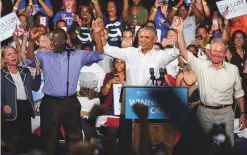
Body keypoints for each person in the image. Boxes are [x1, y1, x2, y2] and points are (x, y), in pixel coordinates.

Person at [26, 28, 103, 155]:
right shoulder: (45, 56)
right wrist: (30, 41)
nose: (50, 42)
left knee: (74, 138)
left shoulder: (77, 55)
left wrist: (97, 34)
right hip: (50, 103)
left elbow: (99, 54)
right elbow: (29, 60)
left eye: (53, 40)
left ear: (63, 40)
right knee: (49, 140)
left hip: (70, 102)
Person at [176, 17, 246, 146]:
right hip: (204, 113)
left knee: (226, 147)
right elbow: (184, 52)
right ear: (209, 51)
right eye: (214, 51)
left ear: (225, 52)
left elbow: (239, 93)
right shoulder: (201, 65)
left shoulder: (233, 69)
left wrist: (242, 113)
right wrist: (179, 32)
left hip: (225, 113)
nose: (217, 54)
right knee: (205, 147)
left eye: (221, 52)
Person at [93, 18, 180, 86]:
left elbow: (178, 51)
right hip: (130, 99)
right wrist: (100, 33)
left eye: (147, 37)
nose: (143, 40)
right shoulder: (130, 52)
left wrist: (179, 33)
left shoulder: (161, 55)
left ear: (155, 39)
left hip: (150, 101)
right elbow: (106, 48)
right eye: (141, 37)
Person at [1, 45, 41, 153]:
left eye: (14, 53)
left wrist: (38, 71)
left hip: (25, 108)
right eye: (9, 54)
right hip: (11, 110)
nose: (13, 56)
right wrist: (3, 105)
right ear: (4, 59)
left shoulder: (25, 71)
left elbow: (35, 87)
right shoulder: (1, 74)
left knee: (25, 141)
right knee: (13, 142)